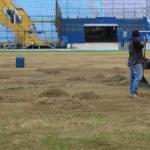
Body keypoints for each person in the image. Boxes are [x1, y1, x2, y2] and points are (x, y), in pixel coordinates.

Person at [128, 30, 148, 98]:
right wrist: (144, 42)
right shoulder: (135, 40)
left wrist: (143, 57)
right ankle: (134, 92)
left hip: (131, 62)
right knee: (138, 77)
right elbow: (140, 47)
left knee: (133, 77)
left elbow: (136, 51)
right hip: (135, 62)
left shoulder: (131, 41)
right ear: (137, 35)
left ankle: (131, 92)